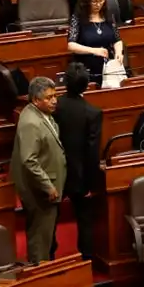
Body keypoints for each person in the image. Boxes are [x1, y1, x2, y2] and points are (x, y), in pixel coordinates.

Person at [11, 77, 66, 263]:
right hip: (39, 190)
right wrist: (47, 186)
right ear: (35, 100)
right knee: (40, 237)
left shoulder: (41, 114)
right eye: (49, 97)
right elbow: (29, 161)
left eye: (55, 95)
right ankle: (38, 273)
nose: (54, 100)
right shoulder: (31, 123)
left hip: (47, 185)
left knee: (46, 235)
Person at [51, 63, 101, 260]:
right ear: (87, 85)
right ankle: (86, 260)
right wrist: (92, 182)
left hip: (55, 173)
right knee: (84, 219)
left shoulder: (54, 107)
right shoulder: (93, 113)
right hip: (80, 176)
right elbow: (92, 151)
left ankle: (49, 259)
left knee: (51, 218)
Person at [67, 0, 123, 85]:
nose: (98, 5)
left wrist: (119, 53)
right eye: (94, 1)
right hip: (86, 70)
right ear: (87, 1)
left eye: (101, 0)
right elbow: (71, 45)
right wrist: (94, 51)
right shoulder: (78, 18)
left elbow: (117, 40)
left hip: (108, 69)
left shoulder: (108, 15)